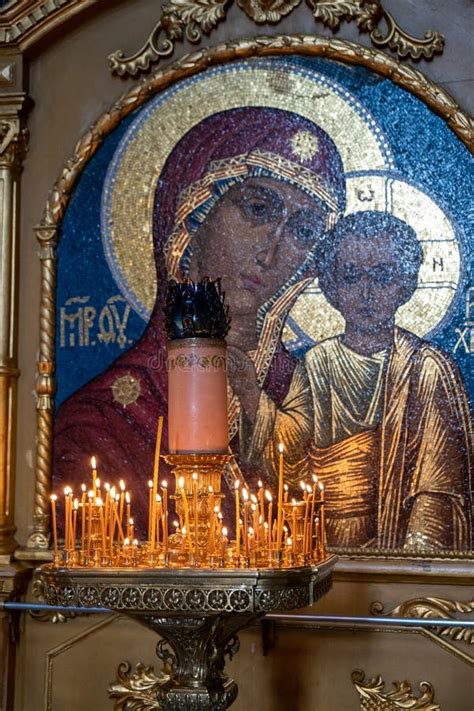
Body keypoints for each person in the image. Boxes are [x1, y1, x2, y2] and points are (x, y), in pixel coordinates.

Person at [53, 107, 346, 522]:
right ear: (193, 212)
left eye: (303, 231)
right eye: (258, 209)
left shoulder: (302, 393)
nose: (272, 251)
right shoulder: (104, 419)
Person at [253, 211, 472, 551]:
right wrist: (247, 391)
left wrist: (410, 564)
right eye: (351, 277)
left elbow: (437, 485)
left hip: (399, 555)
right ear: (331, 286)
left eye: (383, 277)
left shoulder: (426, 368)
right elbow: (288, 458)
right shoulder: (318, 362)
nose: (366, 293)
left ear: (406, 284)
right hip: (321, 546)